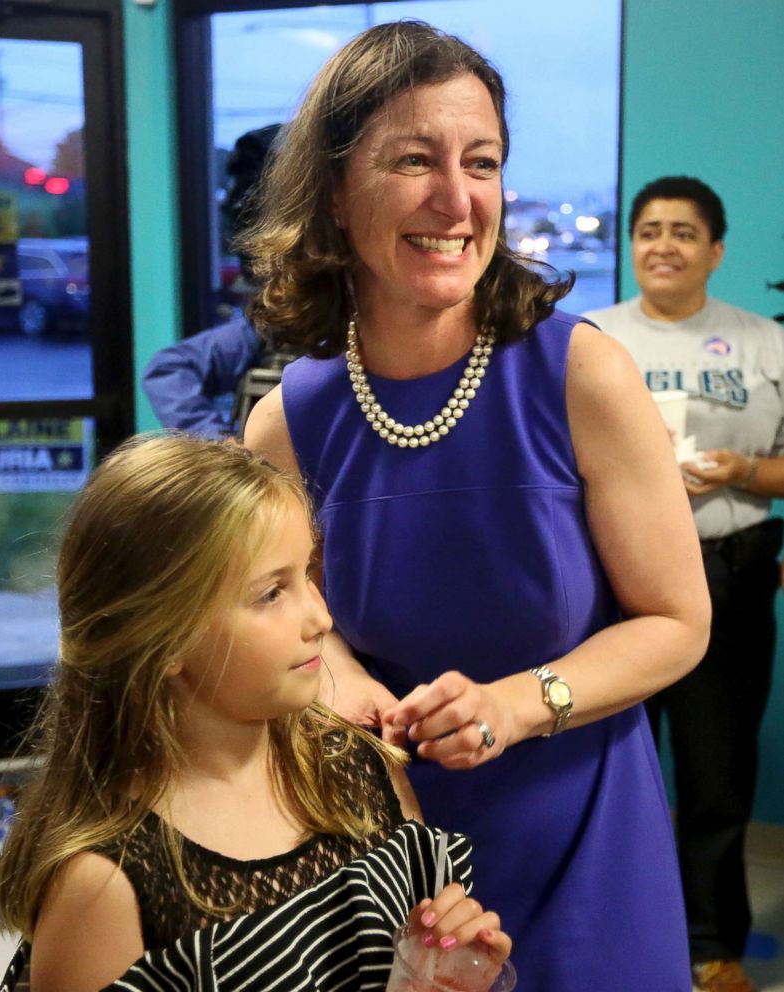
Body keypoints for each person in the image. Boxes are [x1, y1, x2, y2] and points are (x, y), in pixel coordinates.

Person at [240, 19, 711, 991]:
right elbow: (296, 619)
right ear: (331, 192)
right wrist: (345, 689)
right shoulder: (289, 422)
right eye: (412, 160)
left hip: (583, 839)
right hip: (389, 853)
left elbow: (677, 619)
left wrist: (514, 704)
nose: (455, 200)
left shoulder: (579, 373)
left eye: (482, 162)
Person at [0, 435, 511, 992]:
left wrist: (442, 973)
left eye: (309, 574)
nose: (320, 617)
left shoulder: (362, 770)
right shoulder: (104, 888)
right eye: (271, 593)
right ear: (163, 639)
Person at [584, 175, 784, 992]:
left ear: (715, 251)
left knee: (712, 777)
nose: (662, 245)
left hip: (727, 575)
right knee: (601, 772)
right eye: (648, 230)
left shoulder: (762, 340)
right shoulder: (589, 336)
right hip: (609, 582)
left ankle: (711, 946)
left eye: (683, 232)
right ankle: (600, 936)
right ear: (630, 245)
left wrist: (742, 470)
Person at [142, 125, 284, 437]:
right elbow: (169, 370)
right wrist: (222, 447)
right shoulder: (284, 319)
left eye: (248, 194)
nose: (231, 205)